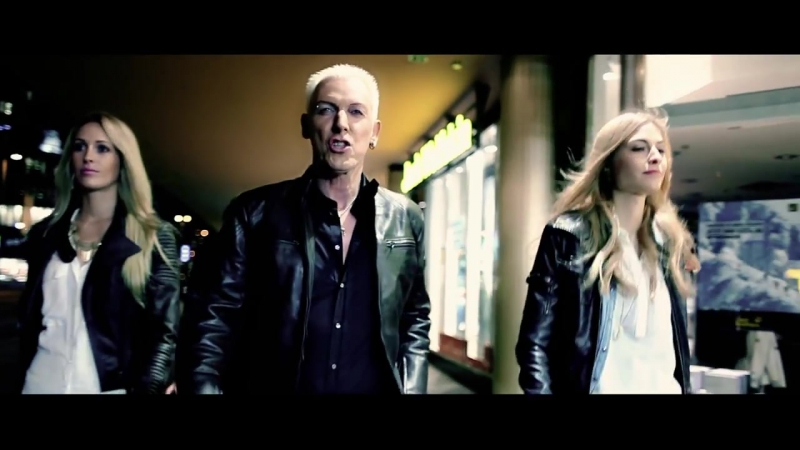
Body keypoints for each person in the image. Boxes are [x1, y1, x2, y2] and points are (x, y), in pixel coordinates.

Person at [178, 64, 431, 395]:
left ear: (375, 132)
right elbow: (212, 320)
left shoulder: (405, 218)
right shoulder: (255, 213)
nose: (341, 124)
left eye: (356, 112)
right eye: (326, 109)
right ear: (307, 125)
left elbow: (414, 320)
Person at [516, 109, 698, 394]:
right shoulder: (569, 236)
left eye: (661, 150)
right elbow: (534, 345)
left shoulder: (670, 244)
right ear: (609, 162)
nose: (654, 157)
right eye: (639, 148)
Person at [17, 112, 181, 394]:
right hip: (39, 384)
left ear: (123, 159)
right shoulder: (47, 234)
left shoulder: (152, 236)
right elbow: (29, 321)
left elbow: (165, 333)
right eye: (80, 147)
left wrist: (150, 387)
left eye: (102, 148)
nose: (88, 157)